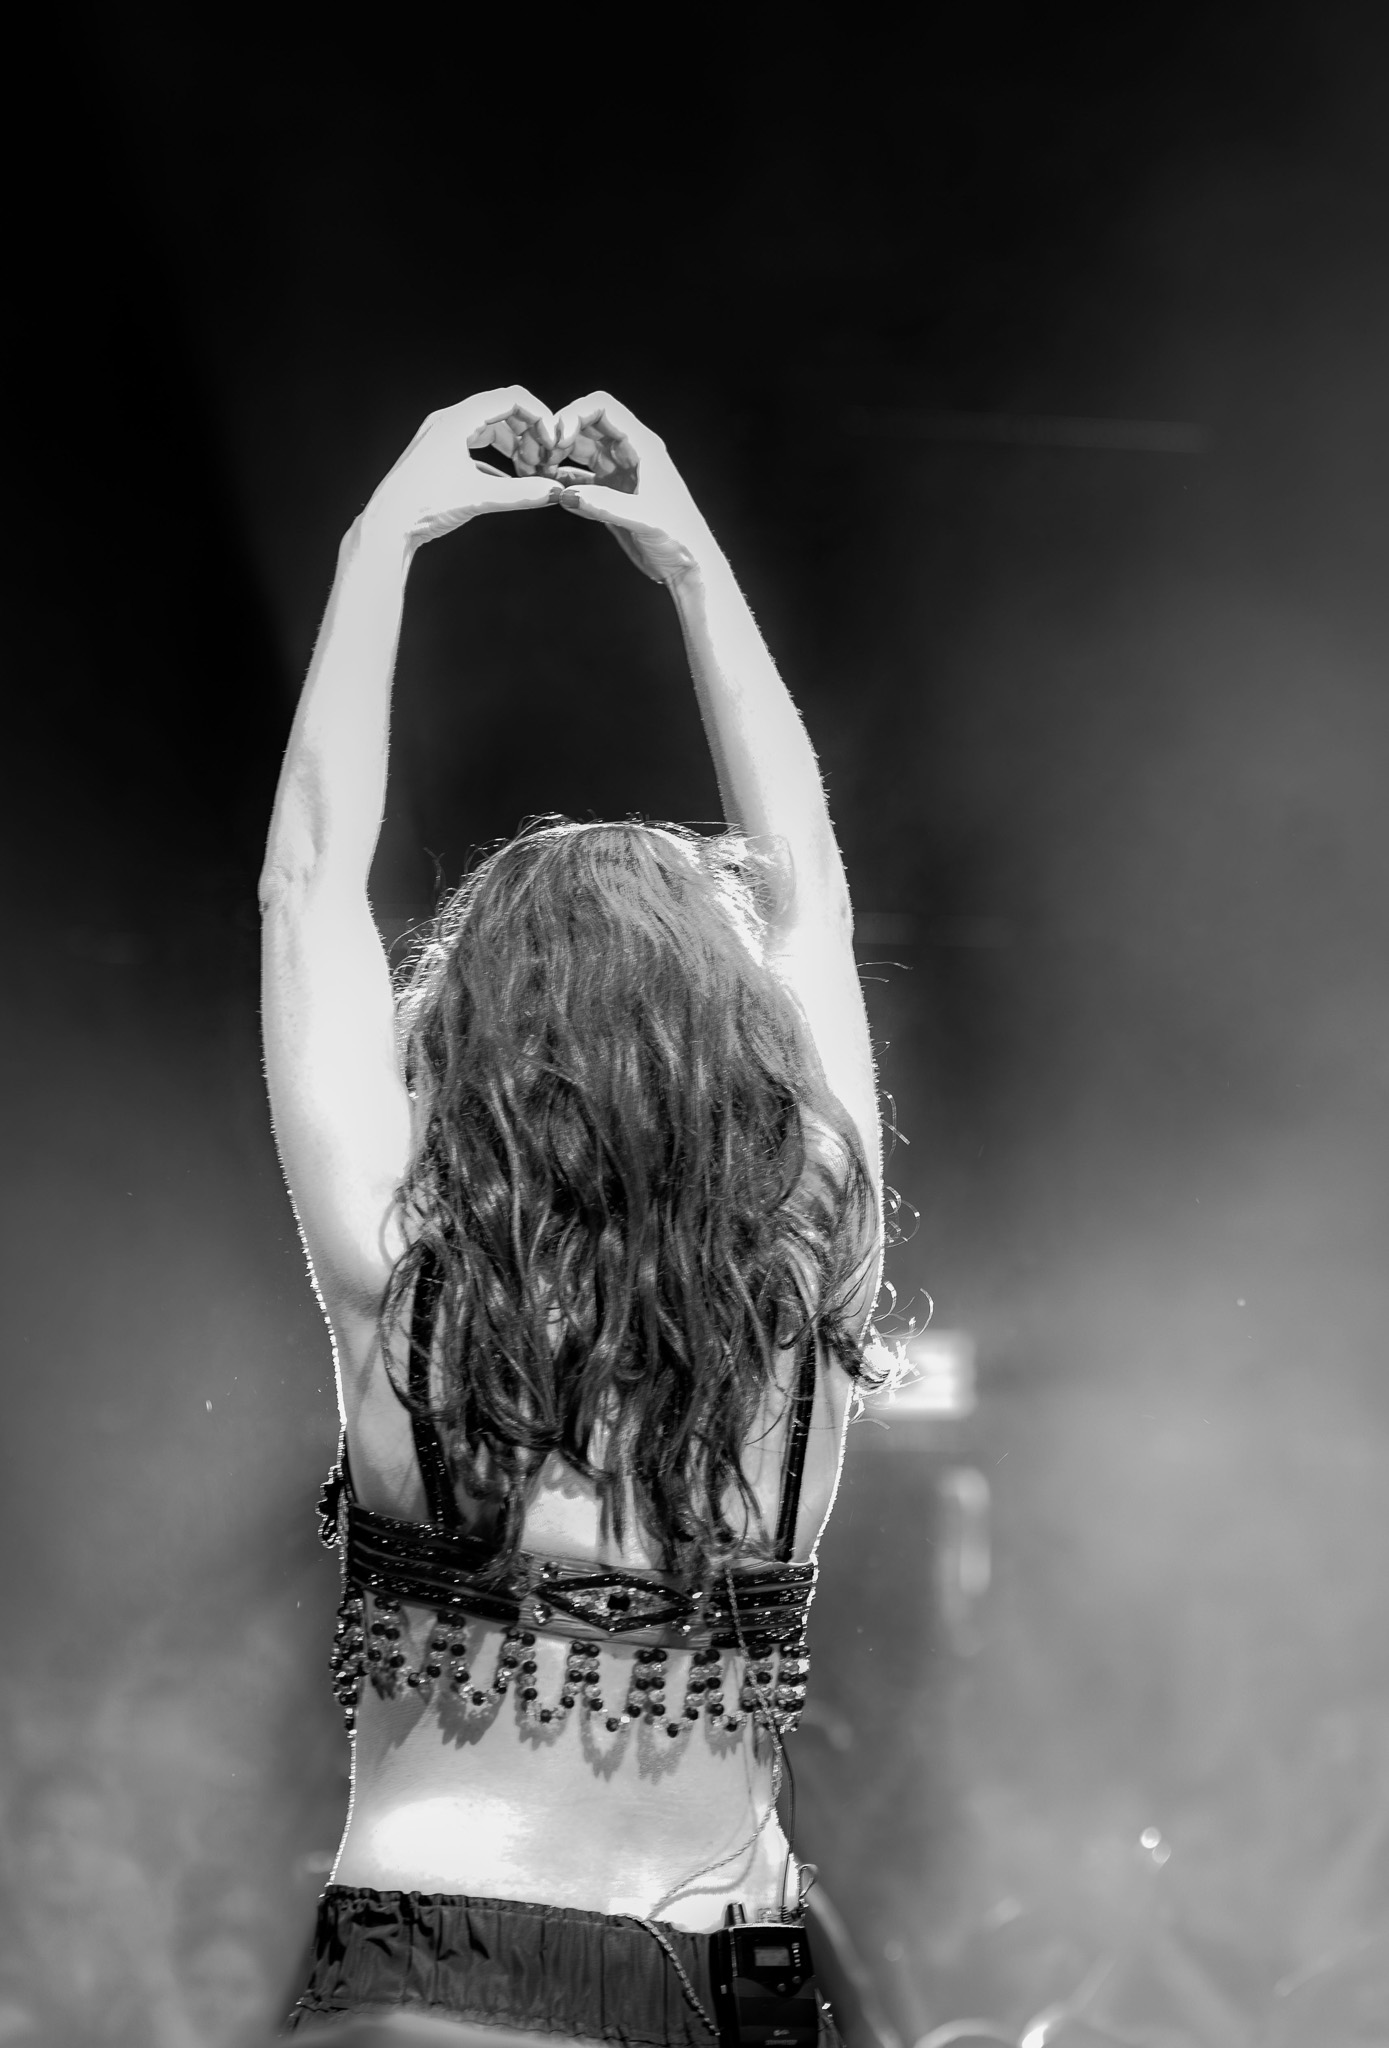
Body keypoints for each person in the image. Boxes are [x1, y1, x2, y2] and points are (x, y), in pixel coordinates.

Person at [260, 387, 888, 2042]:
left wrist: (385, 537)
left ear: (471, 1036)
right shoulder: (806, 1256)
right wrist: (687, 562)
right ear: (743, 1042)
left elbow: (308, 880)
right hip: (728, 1980)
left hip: (434, 1975)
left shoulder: (409, 1274)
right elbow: (811, 883)